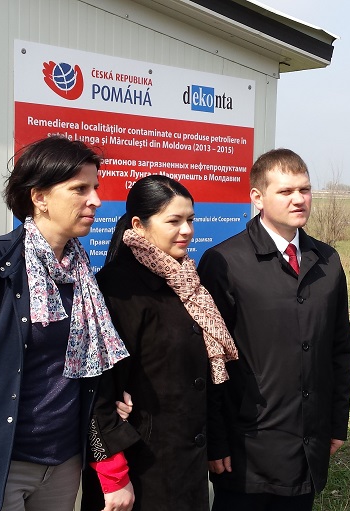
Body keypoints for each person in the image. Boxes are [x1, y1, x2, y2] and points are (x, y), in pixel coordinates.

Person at [0, 136, 131, 511]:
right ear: (39, 197)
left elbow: (87, 372)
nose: (96, 200)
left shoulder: (82, 275)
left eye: (95, 187)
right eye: (80, 189)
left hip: (64, 464)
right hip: (0, 468)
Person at [198, 148, 350, 511]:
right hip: (248, 447)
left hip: (307, 444)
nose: (298, 199)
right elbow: (209, 358)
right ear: (257, 197)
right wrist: (215, 439)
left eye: (305, 189)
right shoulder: (225, 262)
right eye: (285, 191)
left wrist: (335, 423)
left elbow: (339, 350)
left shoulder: (327, 261)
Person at [79, 175, 239, 511]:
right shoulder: (118, 290)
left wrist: (216, 441)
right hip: (141, 471)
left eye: (190, 220)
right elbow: (98, 393)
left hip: (183, 466)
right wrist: (114, 477)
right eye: (174, 221)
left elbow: (203, 377)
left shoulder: (187, 283)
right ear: (139, 225)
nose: (187, 230)